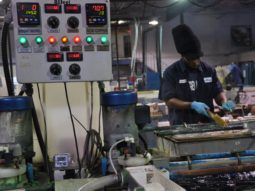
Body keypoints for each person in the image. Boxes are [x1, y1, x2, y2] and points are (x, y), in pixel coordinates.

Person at [159, 24, 235, 125]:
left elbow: (217, 92)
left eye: (198, 58)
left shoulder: (208, 70)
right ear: (183, 56)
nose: (196, 62)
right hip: (182, 126)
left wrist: (224, 102)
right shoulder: (171, 72)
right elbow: (169, 100)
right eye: (192, 59)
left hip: (207, 124)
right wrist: (191, 105)